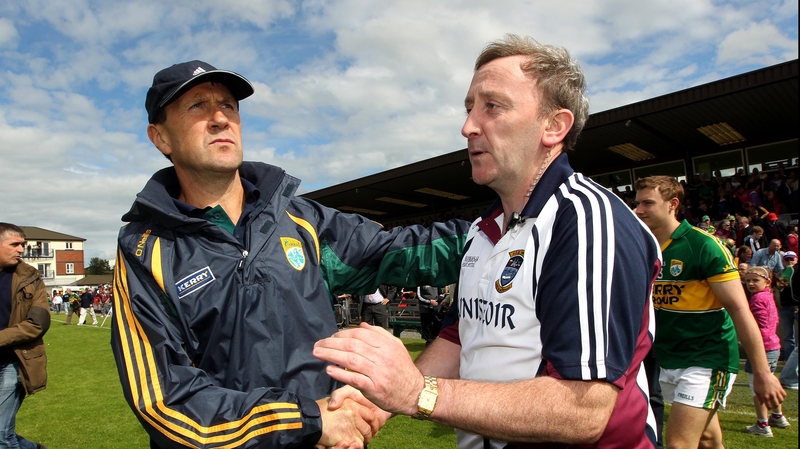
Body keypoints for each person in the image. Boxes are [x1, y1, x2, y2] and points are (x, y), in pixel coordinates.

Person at [314, 35, 663, 448]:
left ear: (554, 126)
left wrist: (417, 393)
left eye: (492, 107)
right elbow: (459, 336)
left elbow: (582, 408)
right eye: (469, 108)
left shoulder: (586, 220)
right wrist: (378, 406)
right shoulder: (483, 230)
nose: (468, 127)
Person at [111, 60, 470, 449]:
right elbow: (165, 401)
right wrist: (309, 420)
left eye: (228, 105)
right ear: (160, 137)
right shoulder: (144, 251)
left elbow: (401, 250)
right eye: (197, 106)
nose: (220, 118)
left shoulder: (302, 220)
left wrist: (498, 232)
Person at [632, 176, 785, 449]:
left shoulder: (703, 245)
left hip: (707, 357)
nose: (638, 210)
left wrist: (762, 372)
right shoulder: (642, 246)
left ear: (672, 204)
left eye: (647, 203)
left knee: (679, 443)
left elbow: (739, 309)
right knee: (708, 440)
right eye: (637, 203)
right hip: (669, 357)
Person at [0, 223, 50, 449]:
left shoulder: (31, 278)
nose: (21, 249)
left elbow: (37, 324)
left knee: (2, 435)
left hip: (15, 360)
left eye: (23, 244)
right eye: (14, 244)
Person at [742, 266, 789, 437]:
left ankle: (763, 425)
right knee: (769, 382)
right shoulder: (767, 296)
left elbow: (758, 325)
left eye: (755, 280)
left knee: (758, 387)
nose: (751, 284)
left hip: (762, 348)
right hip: (773, 345)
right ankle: (778, 416)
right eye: (747, 281)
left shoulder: (757, 299)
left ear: (767, 281)